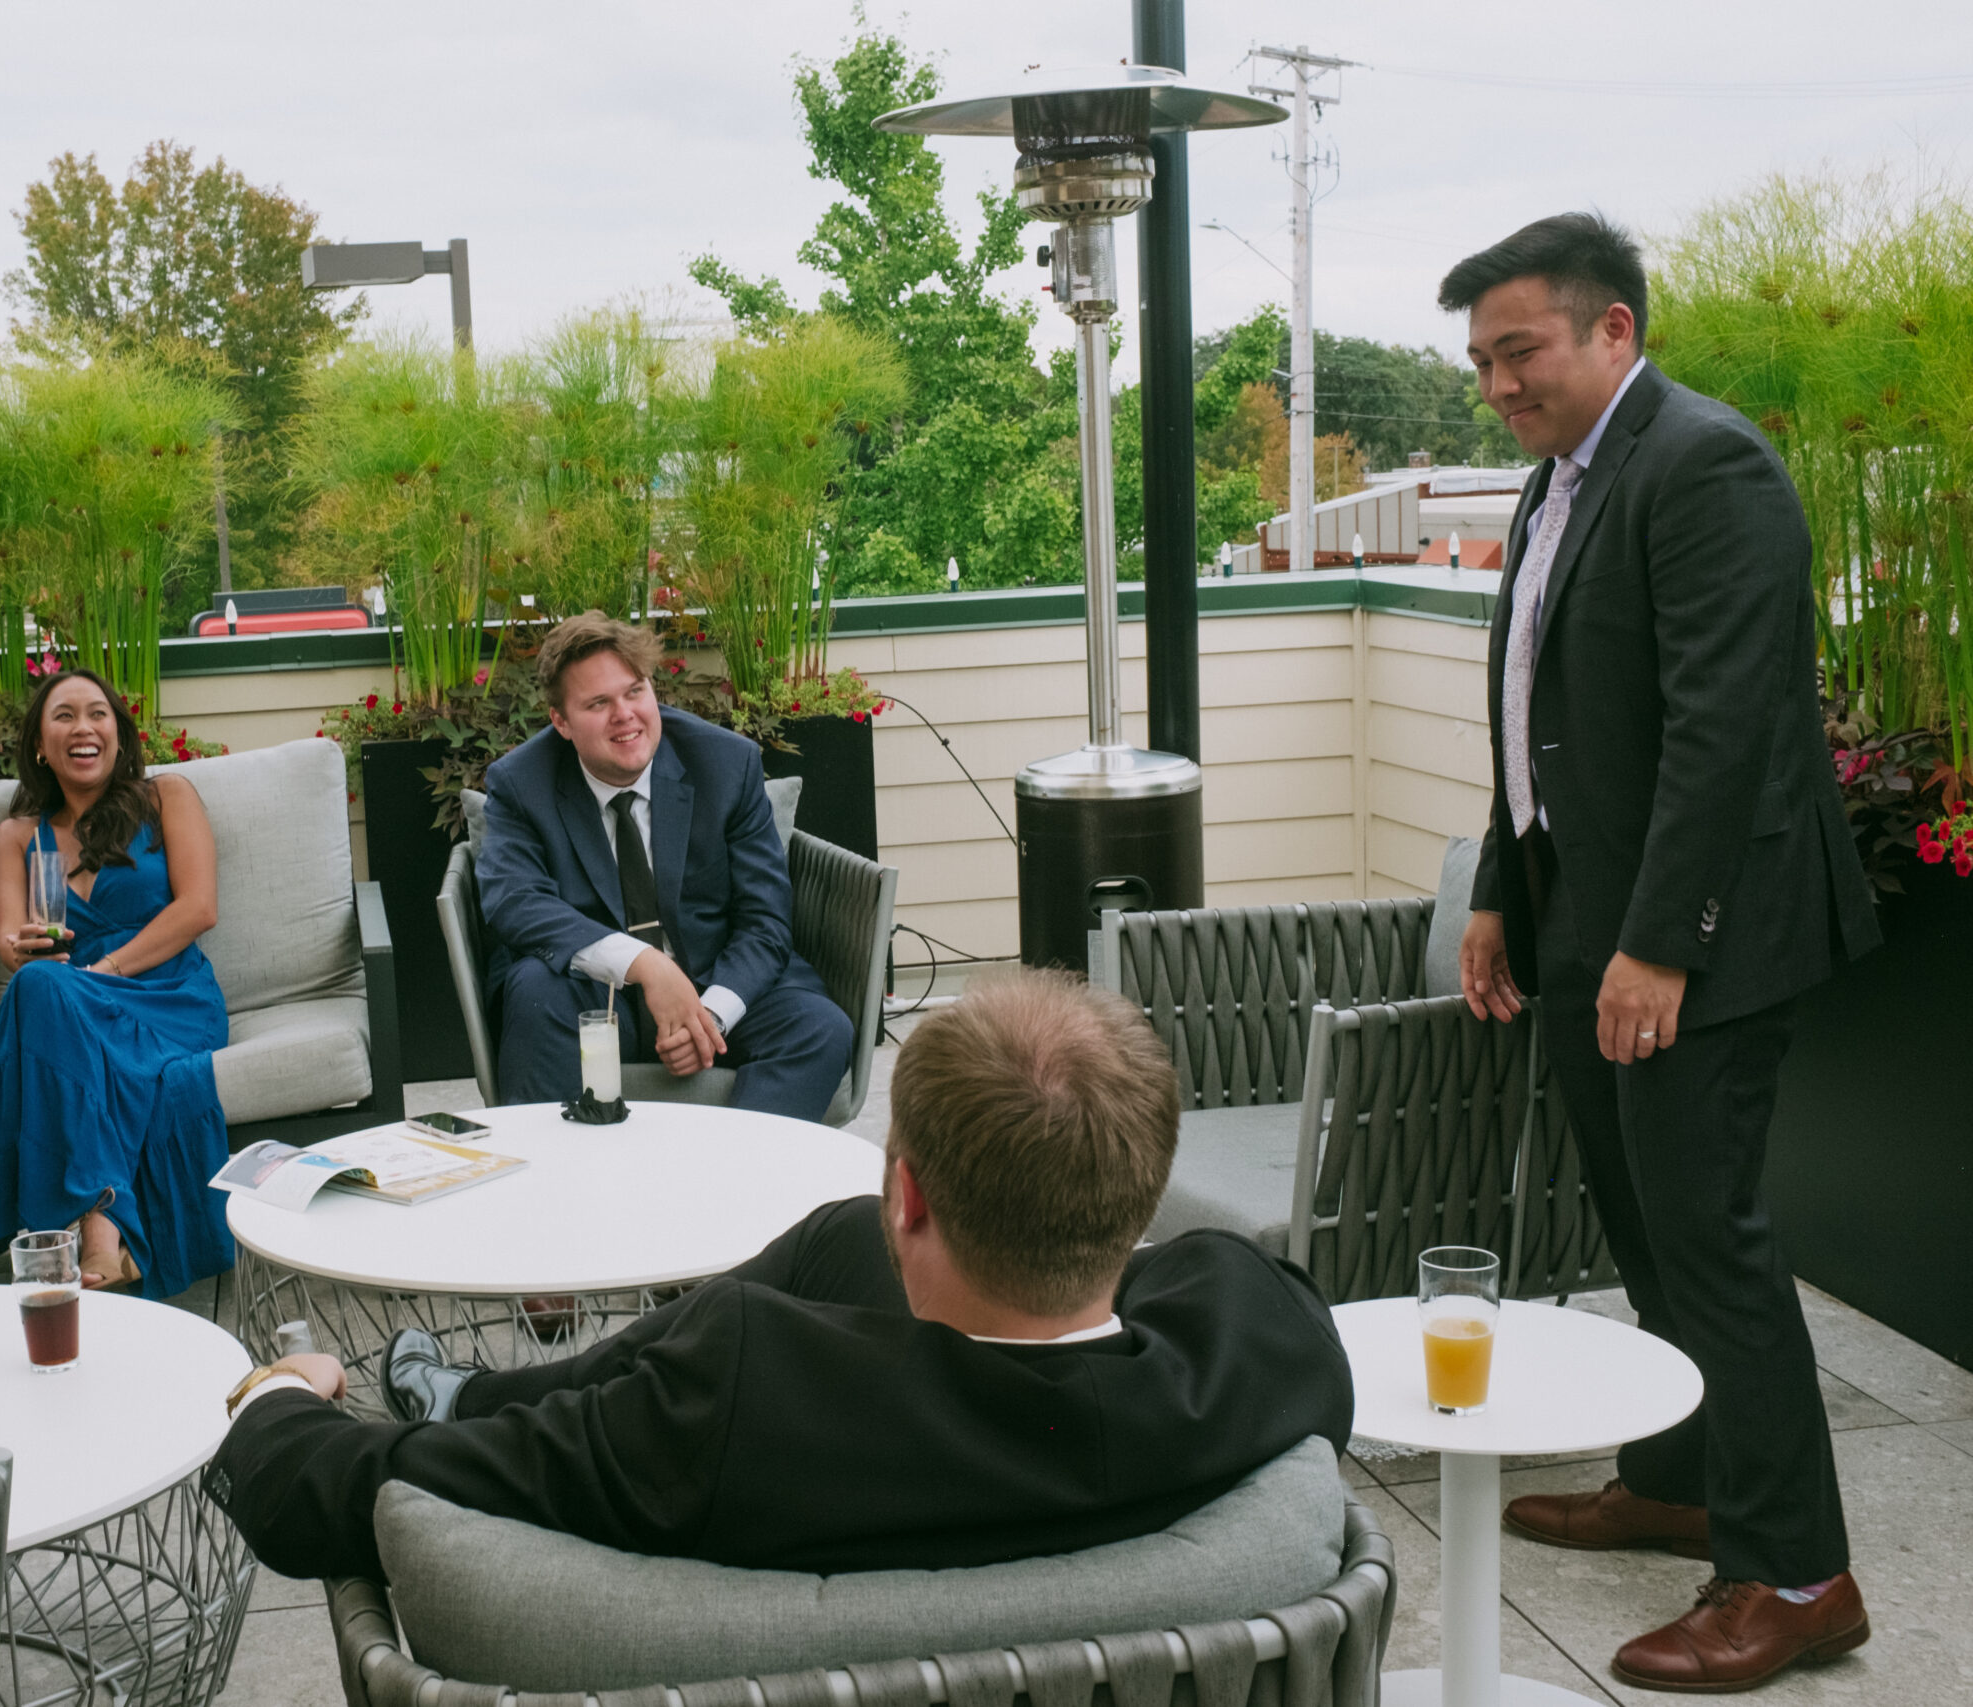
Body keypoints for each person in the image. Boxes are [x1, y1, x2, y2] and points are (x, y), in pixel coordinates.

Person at [201, 969, 1354, 1582]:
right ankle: (477, 1391)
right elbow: (1188, 1283)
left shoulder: (735, 1401)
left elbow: (337, 1497)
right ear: (1141, 1200)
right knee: (829, 1235)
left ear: (915, 1196)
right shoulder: (1266, 1338)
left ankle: (476, 1398)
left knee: (793, 1268)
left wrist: (277, 1398)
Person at [1441, 214, 1881, 1693]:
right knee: (1638, 1219)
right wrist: (1506, 882)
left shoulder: (1708, 465)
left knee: (1713, 1240)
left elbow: (1727, 734)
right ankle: (1687, 1475)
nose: (1499, 382)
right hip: (1581, 907)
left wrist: (1656, 946)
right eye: (1482, 360)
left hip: (1699, 933)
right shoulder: (1555, 481)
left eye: (1523, 350)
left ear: (1614, 329)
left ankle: (1800, 1572)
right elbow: (1538, 713)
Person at [477, 612, 853, 1122]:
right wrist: (647, 966)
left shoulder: (726, 764)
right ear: (561, 722)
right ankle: (562, 1190)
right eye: (598, 703)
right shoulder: (521, 782)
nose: (625, 714)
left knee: (821, 1028)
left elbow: (764, 921)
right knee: (534, 994)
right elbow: (514, 900)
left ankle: (729, 1186)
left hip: (712, 977)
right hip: (593, 994)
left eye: (634, 691)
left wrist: (708, 1017)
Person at [0, 666, 235, 1299]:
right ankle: (100, 1219)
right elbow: (12, 940)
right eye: (64, 716)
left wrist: (104, 972)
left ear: (119, 734)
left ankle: (86, 1223)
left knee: (48, 995)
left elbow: (199, 908)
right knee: (39, 987)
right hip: (66, 999)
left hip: (164, 993)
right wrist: (18, 946)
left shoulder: (167, 798)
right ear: (41, 746)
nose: (84, 727)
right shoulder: (19, 835)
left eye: (97, 713)